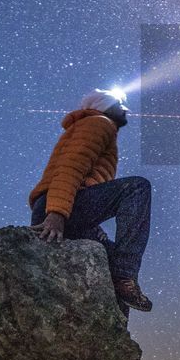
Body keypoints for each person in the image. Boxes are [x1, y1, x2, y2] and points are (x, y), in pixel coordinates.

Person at [28, 89, 152, 314]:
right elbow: (71, 167)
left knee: (111, 259)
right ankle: (125, 278)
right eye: (119, 104)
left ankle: (116, 325)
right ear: (105, 106)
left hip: (68, 207)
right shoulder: (99, 123)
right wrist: (56, 213)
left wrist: (92, 229)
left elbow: (85, 184)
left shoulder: (96, 125)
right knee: (137, 188)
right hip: (56, 206)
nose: (125, 109)